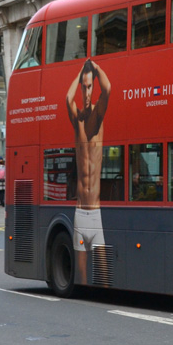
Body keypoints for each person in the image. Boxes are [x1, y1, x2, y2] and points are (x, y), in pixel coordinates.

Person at [67, 58, 112, 271]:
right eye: (83, 88)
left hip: (95, 211)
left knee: (103, 273)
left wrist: (95, 68)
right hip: (79, 212)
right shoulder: (78, 120)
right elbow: (68, 99)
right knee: (82, 276)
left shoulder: (97, 116)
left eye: (89, 87)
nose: (86, 93)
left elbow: (108, 88)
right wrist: (79, 74)